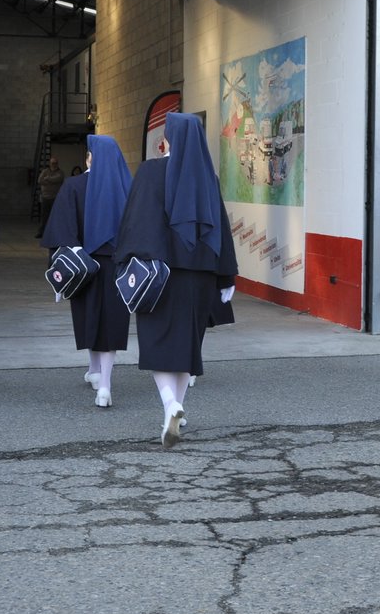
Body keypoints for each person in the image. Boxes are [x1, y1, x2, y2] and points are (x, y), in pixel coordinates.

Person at [114, 112, 238, 447]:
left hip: (159, 276)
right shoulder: (207, 177)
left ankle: (171, 404)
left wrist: (124, 262)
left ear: (165, 139)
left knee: (157, 342)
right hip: (199, 280)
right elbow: (221, 230)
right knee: (186, 346)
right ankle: (177, 408)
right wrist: (227, 275)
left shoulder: (151, 172)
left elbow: (135, 222)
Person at [40, 136, 134, 409]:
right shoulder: (127, 186)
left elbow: (61, 232)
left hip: (83, 265)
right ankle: (103, 381)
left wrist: (57, 274)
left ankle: (95, 372)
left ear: (90, 158)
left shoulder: (74, 185)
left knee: (90, 317)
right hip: (117, 265)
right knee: (113, 323)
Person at [36, 155, 65, 238]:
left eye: (55, 163)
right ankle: (41, 232)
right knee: (44, 216)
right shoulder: (45, 171)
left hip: (55, 198)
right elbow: (40, 180)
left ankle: (54, 233)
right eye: (52, 163)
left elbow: (58, 179)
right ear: (50, 163)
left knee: (55, 216)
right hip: (45, 197)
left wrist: (47, 179)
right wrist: (51, 180)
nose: (54, 164)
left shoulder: (60, 172)